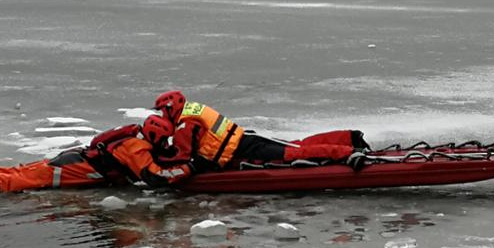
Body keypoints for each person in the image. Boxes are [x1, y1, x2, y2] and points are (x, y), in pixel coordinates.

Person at [0, 115, 190, 192]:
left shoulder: (135, 136)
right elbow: (154, 177)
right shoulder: (137, 149)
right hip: (70, 169)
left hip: (73, 160)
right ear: (156, 134)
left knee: (15, 173)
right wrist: (191, 168)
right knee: (12, 182)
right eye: (165, 138)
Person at [151, 90, 371, 171]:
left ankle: (346, 153)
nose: (162, 116)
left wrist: (158, 160)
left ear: (171, 108)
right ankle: (348, 138)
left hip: (243, 152)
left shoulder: (184, 124)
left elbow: (184, 156)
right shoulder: (193, 110)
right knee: (297, 144)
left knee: (294, 153)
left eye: (163, 111)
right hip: (244, 138)